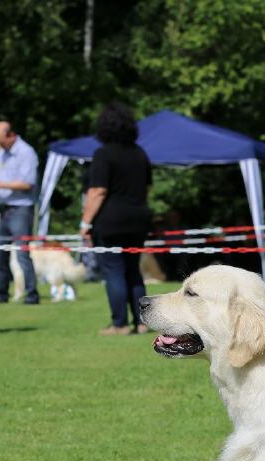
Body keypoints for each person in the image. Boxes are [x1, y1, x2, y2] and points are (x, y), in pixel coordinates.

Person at [79, 102, 152, 336]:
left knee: (114, 271)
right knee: (133, 270)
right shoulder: (140, 153)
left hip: (111, 221)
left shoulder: (103, 154)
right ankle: (143, 323)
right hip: (138, 219)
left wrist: (85, 222)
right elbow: (146, 188)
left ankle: (119, 324)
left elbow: (97, 191)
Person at [0, 121, 40, 304]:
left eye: (1, 141)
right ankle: (2, 292)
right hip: (5, 209)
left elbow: (27, 183)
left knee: (22, 254)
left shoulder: (26, 152)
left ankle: (32, 294)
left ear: (11, 135)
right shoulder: (2, 152)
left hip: (21, 208)